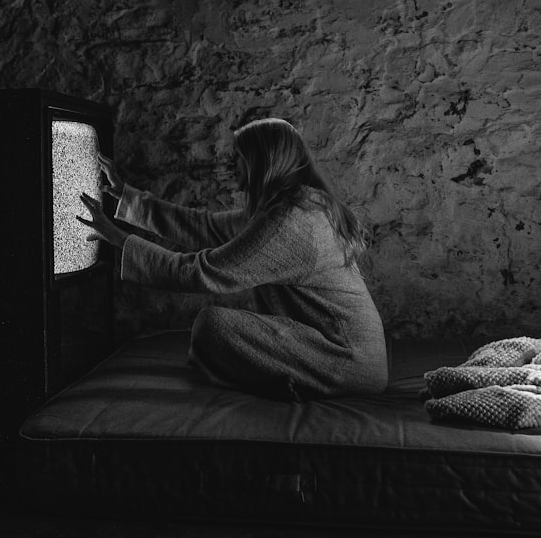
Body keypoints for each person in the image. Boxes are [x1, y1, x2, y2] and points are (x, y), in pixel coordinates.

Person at [77, 117, 389, 401]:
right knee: (210, 337)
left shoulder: (294, 222)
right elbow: (205, 228)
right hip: (339, 352)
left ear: (259, 160)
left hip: (346, 360)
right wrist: (126, 196)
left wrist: (119, 240)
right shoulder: (287, 206)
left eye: (237, 155)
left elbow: (203, 272)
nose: (230, 163)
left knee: (213, 326)